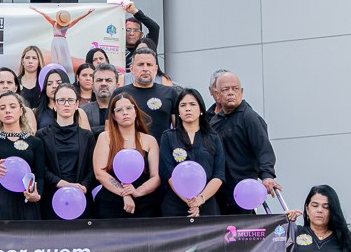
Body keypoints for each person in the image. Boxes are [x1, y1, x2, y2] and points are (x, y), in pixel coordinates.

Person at [209, 71, 280, 214]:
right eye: (225, 89)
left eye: (235, 89)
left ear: (241, 91)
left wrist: (267, 176)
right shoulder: (214, 122)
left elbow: (264, 150)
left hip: (243, 191)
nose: (231, 93)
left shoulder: (250, 118)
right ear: (217, 94)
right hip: (218, 192)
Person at [0, 91, 45, 221]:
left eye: (12, 106)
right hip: (1, 204)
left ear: (21, 111)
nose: (7, 111)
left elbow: (40, 176)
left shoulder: (35, 142)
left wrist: (37, 194)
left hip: (28, 204)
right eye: (2, 108)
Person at [158, 88, 226, 217]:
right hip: (176, 206)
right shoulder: (168, 137)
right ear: (178, 111)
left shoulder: (213, 137)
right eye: (183, 105)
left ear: (201, 110)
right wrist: (190, 201)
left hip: (206, 204)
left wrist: (200, 199)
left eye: (192, 104)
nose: (188, 109)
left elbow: (219, 174)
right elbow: (168, 173)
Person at [92, 92, 160, 218]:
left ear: (135, 111)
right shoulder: (105, 138)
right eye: (119, 110)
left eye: (129, 108)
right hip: (110, 204)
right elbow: (99, 173)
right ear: (113, 116)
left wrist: (137, 192)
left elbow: (155, 177)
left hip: (144, 204)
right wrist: (125, 194)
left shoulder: (150, 141)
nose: (125, 113)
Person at [37, 84, 96, 219]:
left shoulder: (87, 136)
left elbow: (92, 169)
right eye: (61, 100)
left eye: (70, 100)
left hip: (80, 198)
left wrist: (84, 187)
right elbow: (41, 168)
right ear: (54, 105)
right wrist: (62, 184)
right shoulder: (42, 135)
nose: (66, 104)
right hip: (52, 198)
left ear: (77, 104)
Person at [112, 47, 178, 143]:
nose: (145, 69)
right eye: (140, 64)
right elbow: (110, 127)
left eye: (149, 64)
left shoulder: (170, 93)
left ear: (156, 69)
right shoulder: (120, 94)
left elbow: (177, 129)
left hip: (162, 149)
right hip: (128, 149)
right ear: (131, 69)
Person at [30, 7, 95, 76]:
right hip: (60, 41)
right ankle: (57, 72)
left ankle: (63, 73)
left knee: (61, 58)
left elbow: (45, 15)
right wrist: (36, 10)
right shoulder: (58, 24)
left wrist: (87, 13)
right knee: (59, 58)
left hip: (58, 41)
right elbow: (77, 19)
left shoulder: (56, 23)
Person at [80, 62, 119, 135]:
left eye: (108, 80)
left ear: (117, 86)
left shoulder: (125, 110)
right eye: (99, 80)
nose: (103, 83)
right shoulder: (82, 111)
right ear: (92, 86)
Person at [122, 2, 161, 69]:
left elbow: (155, 28)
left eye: (135, 30)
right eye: (128, 30)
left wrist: (134, 11)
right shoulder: (116, 49)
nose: (131, 33)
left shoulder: (147, 46)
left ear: (141, 34)